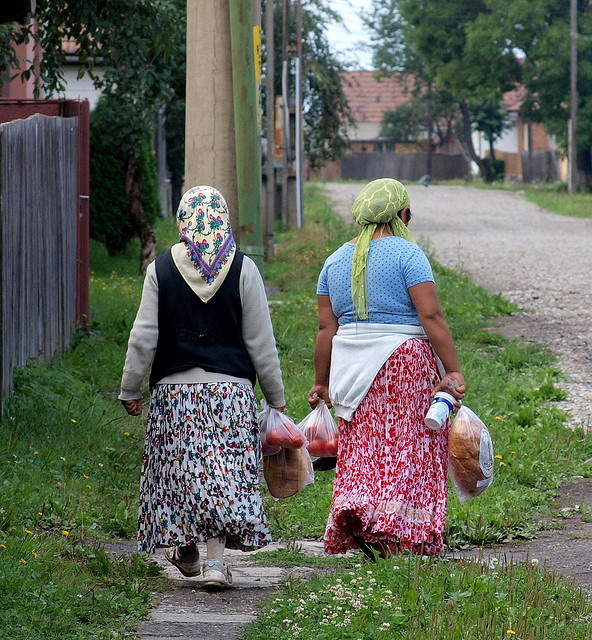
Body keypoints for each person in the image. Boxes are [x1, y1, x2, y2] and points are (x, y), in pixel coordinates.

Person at [119, 185, 285, 590]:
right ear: (223, 218)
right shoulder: (243, 268)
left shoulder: (160, 269)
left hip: (175, 396)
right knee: (223, 478)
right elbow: (261, 341)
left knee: (182, 473)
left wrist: (130, 388)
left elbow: (144, 336)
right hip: (231, 396)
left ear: (183, 220)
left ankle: (187, 549)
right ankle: (214, 563)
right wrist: (275, 398)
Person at [308, 177, 466, 560]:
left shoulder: (334, 261)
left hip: (350, 369)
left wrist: (320, 383)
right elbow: (431, 315)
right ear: (403, 213)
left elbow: (326, 329)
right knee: (409, 447)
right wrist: (453, 371)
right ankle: (405, 534)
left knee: (366, 448)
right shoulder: (408, 255)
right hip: (404, 362)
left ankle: (363, 515)